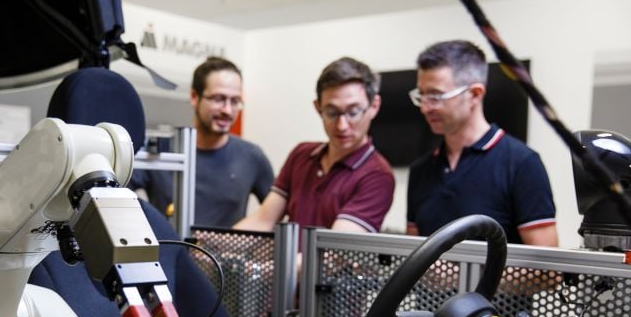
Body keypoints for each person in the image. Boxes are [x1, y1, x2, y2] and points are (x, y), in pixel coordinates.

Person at [406, 40, 558, 246]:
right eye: (422, 96)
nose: (425, 107)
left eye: (436, 96)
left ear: (475, 94)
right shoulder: (420, 171)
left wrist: (457, 276)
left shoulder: (522, 164)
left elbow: (547, 273)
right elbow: (411, 251)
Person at [234, 56, 394, 234]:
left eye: (353, 112)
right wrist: (206, 244)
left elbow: (335, 252)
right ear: (318, 108)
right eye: (332, 113)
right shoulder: (301, 155)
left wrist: (275, 263)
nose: (342, 125)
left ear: (374, 106)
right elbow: (262, 221)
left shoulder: (377, 175)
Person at [129, 56, 273, 228]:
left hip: (225, 255)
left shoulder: (252, 157)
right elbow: (116, 195)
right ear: (194, 97)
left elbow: (275, 215)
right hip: (169, 253)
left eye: (235, 101)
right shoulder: (162, 152)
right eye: (218, 99)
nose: (227, 110)